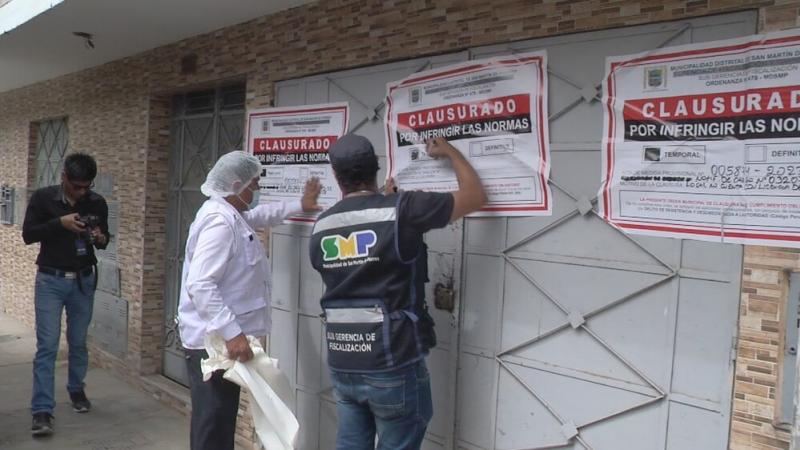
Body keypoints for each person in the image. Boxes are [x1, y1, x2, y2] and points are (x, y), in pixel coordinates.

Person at [309, 135, 486, 449]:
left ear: (336, 177)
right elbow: (474, 196)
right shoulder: (403, 210)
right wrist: (449, 150)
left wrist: (386, 203)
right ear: (376, 169)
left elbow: (355, 260)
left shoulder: (323, 225)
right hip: (390, 363)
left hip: (343, 363)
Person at [178, 150, 321, 450]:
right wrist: (232, 333)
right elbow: (200, 284)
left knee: (219, 420)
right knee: (213, 423)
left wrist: (300, 205)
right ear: (234, 185)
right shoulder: (220, 223)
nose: (256, 190)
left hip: (218, 344)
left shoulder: (231, 214)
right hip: (212, 345)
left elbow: (257, 216)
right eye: (252, 184)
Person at [22, 153, 110, 437]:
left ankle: (76, 389)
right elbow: (28, 234)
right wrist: (60, 223)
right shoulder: (43, 199)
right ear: (64, 178)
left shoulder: (96, 203)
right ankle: (42, 410)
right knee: (47, 345)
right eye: (76, 186)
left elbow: (105, 239)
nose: (82, 192)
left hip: (83, 281)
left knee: (78, 342)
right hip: (51, 280)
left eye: (87, 186)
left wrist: (99, 237)